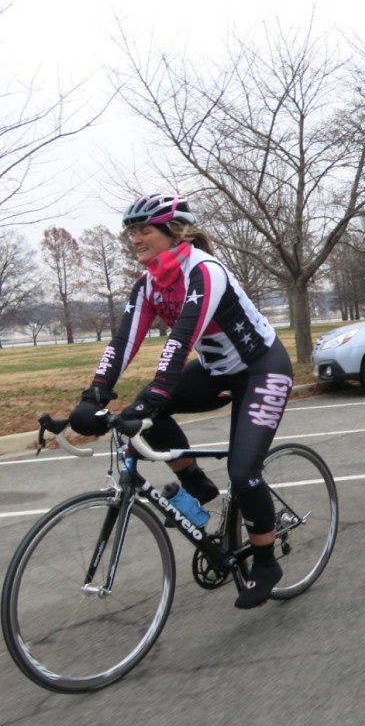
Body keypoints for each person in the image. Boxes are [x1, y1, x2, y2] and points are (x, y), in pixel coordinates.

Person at [69, 193, 295, 609]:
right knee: (147, 409)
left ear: (171, 232)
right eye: (131, 232)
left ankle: (266, 563)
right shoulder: (151, 284)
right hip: (216, 370)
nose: (134, 239)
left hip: (262, 369)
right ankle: (197, 484)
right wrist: (95, 393)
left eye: (143, 230)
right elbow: (123, 343)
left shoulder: (205, 271)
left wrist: (153, 397)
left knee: (244, 471)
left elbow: (182, 339)